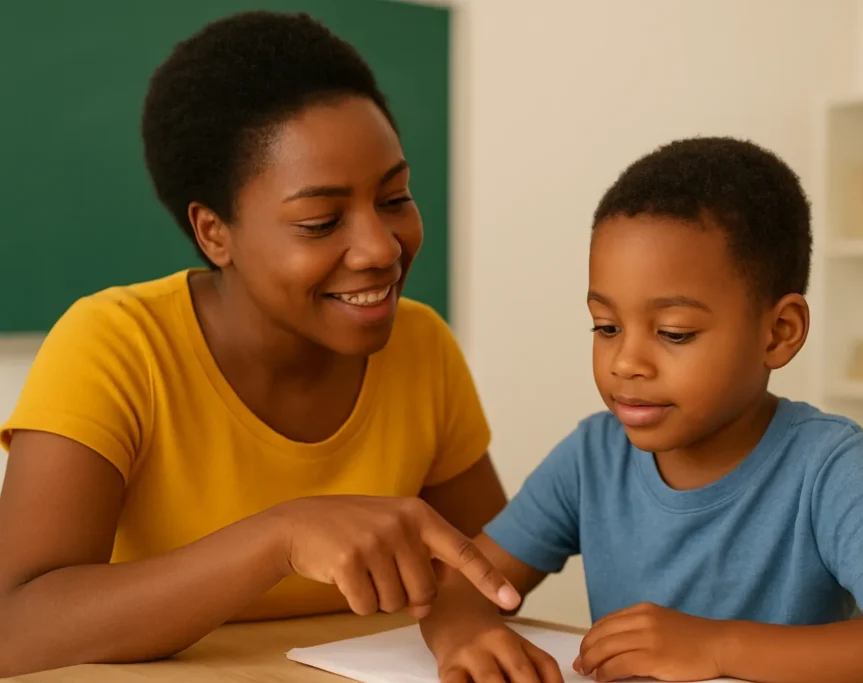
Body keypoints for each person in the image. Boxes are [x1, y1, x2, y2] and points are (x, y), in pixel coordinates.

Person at [0, 11, 520, 678]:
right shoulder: (116, 346)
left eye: (394, 197)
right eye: (321, 220)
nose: (380, 247)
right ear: (215, 233)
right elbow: (13, 628)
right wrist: (281, 536)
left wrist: (464, 616)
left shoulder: (420, 345)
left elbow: (495, 563)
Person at [419, 138, 863, 683]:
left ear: (779, 333)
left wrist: (716, 645)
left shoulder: (829, 464)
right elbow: (462, 588)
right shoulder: (593, 456)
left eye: (674, 333)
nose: (626, 362)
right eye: (606, 327)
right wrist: (467, 633)